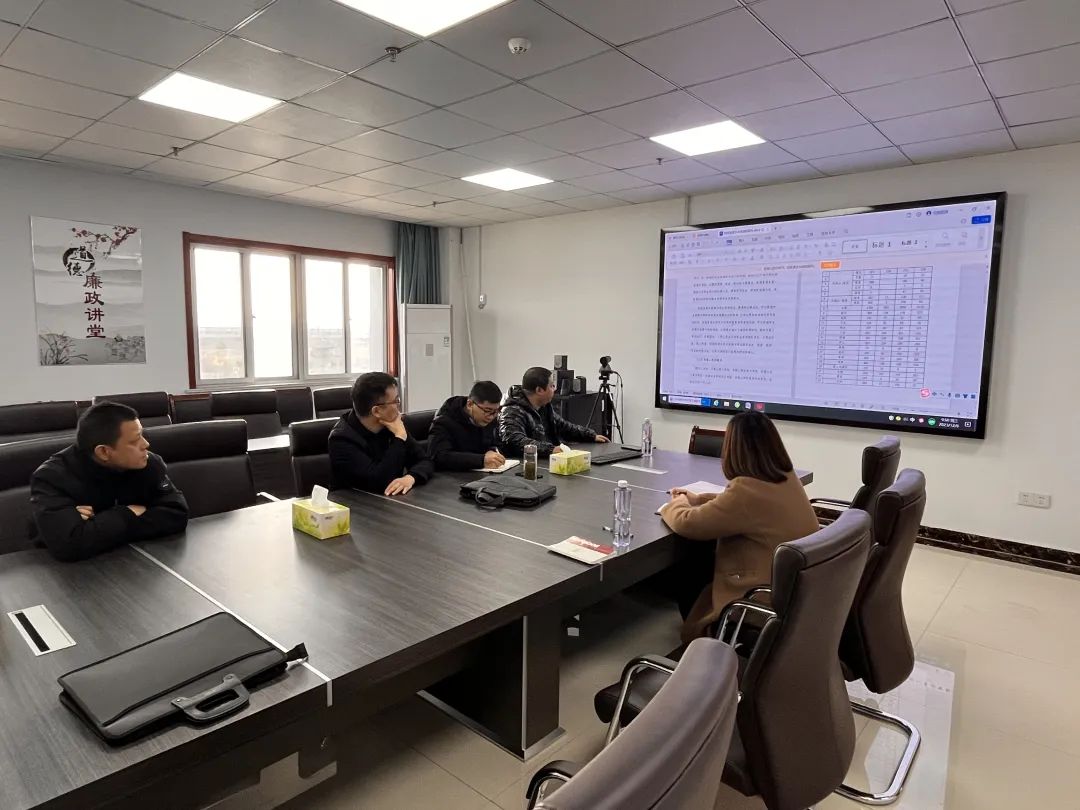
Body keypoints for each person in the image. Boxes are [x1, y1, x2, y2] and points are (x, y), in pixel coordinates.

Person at [660, 411, 818, 645]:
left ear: (733, 450)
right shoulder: (783, 477)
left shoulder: (747, 491)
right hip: (793, 591)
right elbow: (737, 506)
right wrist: (699, 499)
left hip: (757, 600)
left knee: (690, 562)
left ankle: (702, 641)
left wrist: (677, 503)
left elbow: (687, 522)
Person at [29, 402, 189, 562]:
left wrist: (96, 525)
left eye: (142, 434)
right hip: (71, 571)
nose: (146, 444)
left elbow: (177, 514)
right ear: (104, 452)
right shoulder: (52, 477)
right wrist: (127, 513)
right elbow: (68, 545)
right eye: (135, 441)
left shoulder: (147, 464)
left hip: (131, 560)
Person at [329, 372, 434, 496]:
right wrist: (399, 438)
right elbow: (379, 481)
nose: (399, 407)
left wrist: (411, 477)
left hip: (389, 502)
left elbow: (425, 461)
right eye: (396, 401)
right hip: (355, 503)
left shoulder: (392, 425)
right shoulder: (342, 439)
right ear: (377, 411)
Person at [498, 367, 611, 457]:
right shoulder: (511, 411)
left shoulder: (543, 406)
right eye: (552, 386)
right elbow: (514, 441)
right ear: (539, 390)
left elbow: (563, 426)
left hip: (545, 461)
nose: (555, 389)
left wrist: (590, 435)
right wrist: (550, 449)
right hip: (525, 466)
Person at [428, 381, 507, 471]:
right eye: (487, 411)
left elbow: (496, 443)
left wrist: (492, 451)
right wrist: (481, 460)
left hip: (483, 472)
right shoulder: (444, 421)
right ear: (470, 404)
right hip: (454, 475)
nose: (491, 416)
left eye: (496, 411)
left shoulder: (490, 417)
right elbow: (438, 456)